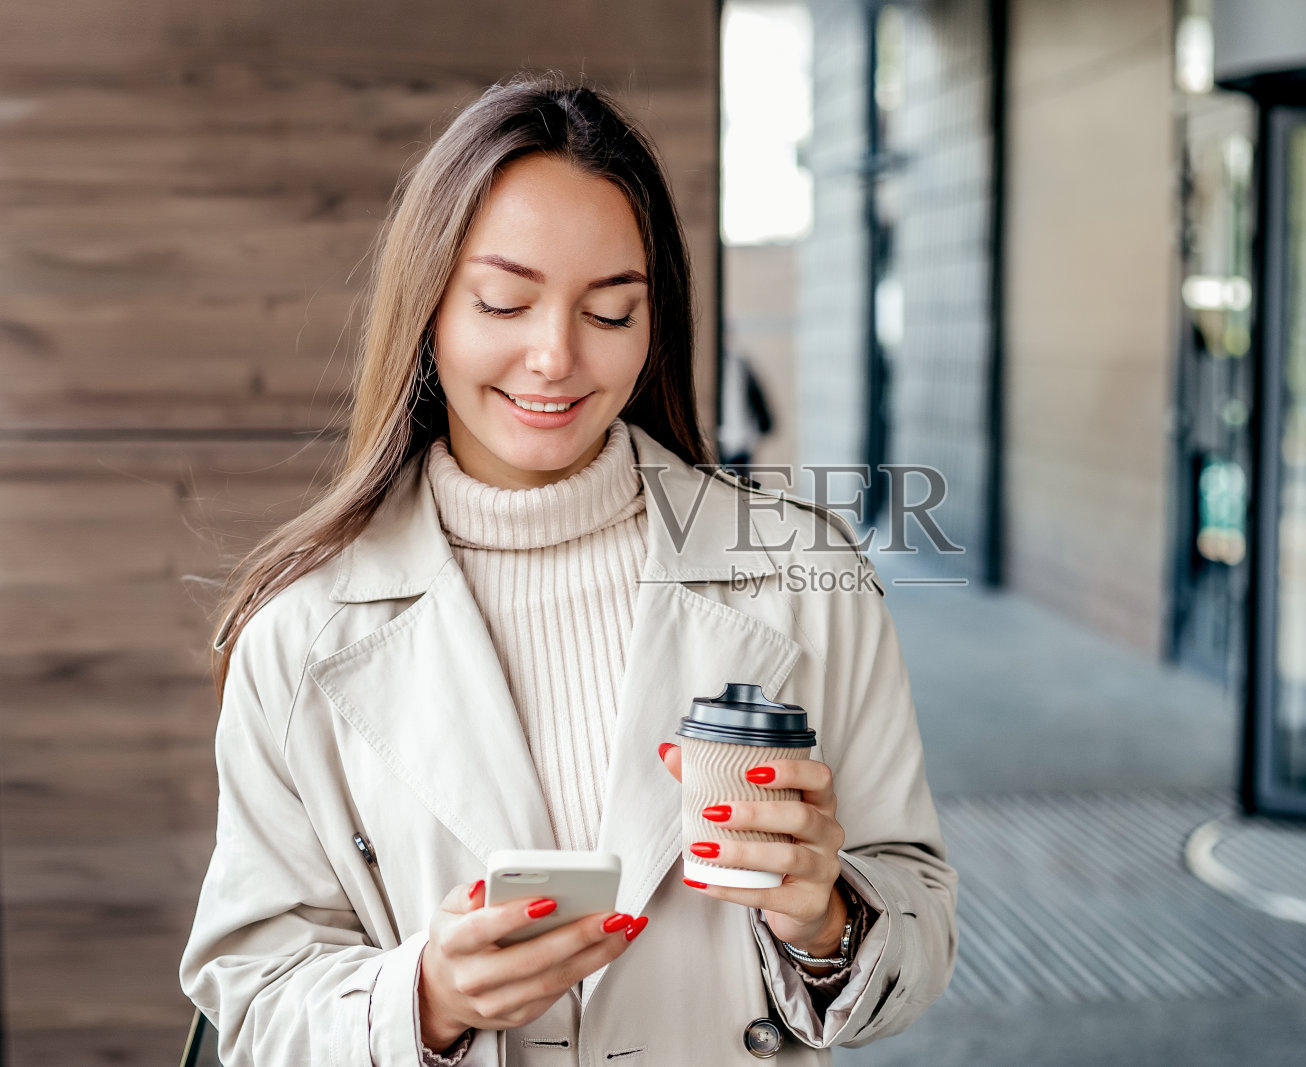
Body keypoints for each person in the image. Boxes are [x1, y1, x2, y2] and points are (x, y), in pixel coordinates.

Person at [180, 76, 957, 1066]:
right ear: (428, 308)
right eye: (504, 301)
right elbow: (254, 1001)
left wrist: (828, 917)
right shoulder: (300, 627)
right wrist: (423, 999)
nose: (555, 356)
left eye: (611, 311)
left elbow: (923, 925)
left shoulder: (803, 577)